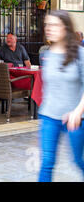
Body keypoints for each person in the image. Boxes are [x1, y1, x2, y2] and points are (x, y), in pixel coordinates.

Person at [38, 10, 84, 182]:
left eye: (54, 25)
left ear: (66, 28)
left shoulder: (79, 54)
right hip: (49, 116)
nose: (49, 28)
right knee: (47, 162)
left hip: (75, 119)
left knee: (78, 160)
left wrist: (77, 112)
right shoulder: (47, 54)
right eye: (47, 24)